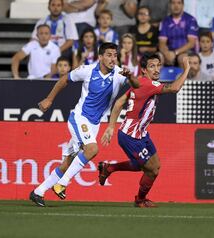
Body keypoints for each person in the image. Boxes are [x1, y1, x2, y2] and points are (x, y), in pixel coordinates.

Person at [29, 42, 140, 207]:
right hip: (79, 118)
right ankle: (63, 183)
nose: (112, 58)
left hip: (94, 125)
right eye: (109, 55)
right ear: (100, 57)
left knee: (67, 163)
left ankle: (38, 192)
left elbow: (137, 86)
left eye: (115, 55)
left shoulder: (119, 73)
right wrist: (49, 99)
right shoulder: (87, 71)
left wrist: (130, 77)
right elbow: (64, 79)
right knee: (92, 149)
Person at [97, 53, 190, 208]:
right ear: (144, 70)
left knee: (154, 165)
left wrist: (111, 126)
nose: (157, 69)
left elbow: (120, 102)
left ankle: (109, 168)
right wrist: (186, 68)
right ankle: (140, 199)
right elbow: (175, 88)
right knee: (151, 170)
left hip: (141, 134)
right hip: (130, 136)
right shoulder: (148, 84)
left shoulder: (140, 83)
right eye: (152, 66)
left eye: (158, 65)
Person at [158, 0, 199, 69]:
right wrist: (166, 53)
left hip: (186, 52)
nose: (176, 6)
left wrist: (175, 53)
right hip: (169, 51)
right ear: (169, 5)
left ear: (183, 5)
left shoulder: (190, 19)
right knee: (158, 58)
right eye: (173, 3)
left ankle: (184, 80)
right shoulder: (165, 21)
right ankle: (159, 80)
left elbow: (191, 43)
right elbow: (162, 43)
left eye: (179, 3)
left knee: (182, 59)